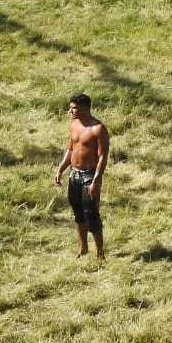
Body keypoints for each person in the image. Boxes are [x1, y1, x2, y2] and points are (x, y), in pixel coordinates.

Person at [53, 93, 110, 259]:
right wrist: (60, 170)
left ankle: (100, 252)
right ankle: (83, 247)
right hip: (74, 174)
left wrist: (96, 181)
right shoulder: (73, 125)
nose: (70, 111)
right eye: (70, 108)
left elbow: (102, 157)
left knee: (91, 214)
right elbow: (70, 150)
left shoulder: (98, 129)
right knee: (78, 213)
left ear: (85, 108)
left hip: (89, 176)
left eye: (74, 108)